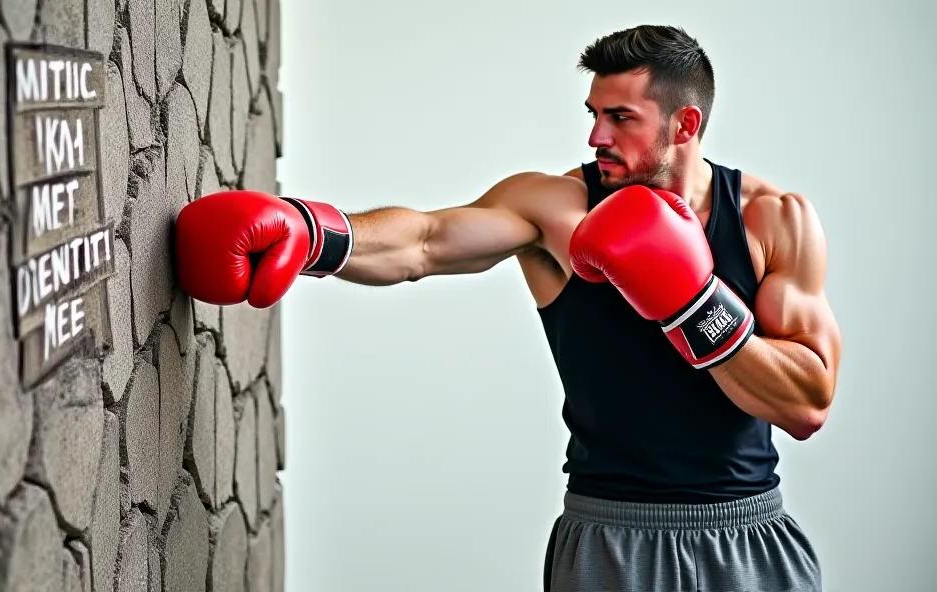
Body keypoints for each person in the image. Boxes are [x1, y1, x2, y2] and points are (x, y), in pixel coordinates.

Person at [174, 24, 841, 592]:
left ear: (685, 124)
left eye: (620, 118)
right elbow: (427, 242)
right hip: (611, 536)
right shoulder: (555, 209)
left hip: (749, 537)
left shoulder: (773, 220)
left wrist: (693, 302)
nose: (595, 138)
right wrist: (313, 232)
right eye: (593, 114)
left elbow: (808, 402)